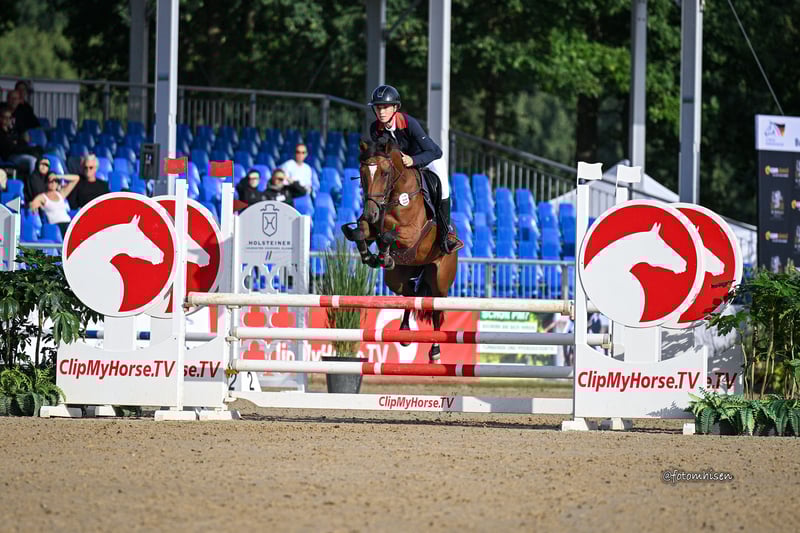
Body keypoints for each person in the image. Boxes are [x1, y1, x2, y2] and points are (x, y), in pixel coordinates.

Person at [367, 84, 458, 254]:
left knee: (444, 190)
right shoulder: (375, 129)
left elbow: (435, 152)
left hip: (428, 159)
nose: (381, 112)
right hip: (403, 166)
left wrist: (413, 160)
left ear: (395, 108)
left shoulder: (409, 123)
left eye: (385, 107)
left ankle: (446, 236)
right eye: (378, 108)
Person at [29, 171, 80, 236]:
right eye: (51, 181)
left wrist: (58, 176)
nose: (53, 183)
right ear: (46, 182)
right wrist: (32, 205)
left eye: (55, 181)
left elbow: (76, 178)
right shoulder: (42, 197)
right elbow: (33, 204)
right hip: (56, 227)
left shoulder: (61, 194)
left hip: (68, 223)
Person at [0, 104, 42, 178]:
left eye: (9, 117)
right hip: (10, 157)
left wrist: (21, 145)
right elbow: (11, 148)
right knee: (32, 160)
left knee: (39, 156)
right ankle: (33, 182)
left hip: (19, 153)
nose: (7, 120)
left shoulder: (12, 130)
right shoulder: (1, 133)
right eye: (5, 117)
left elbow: (21, 142)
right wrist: (27, 149)